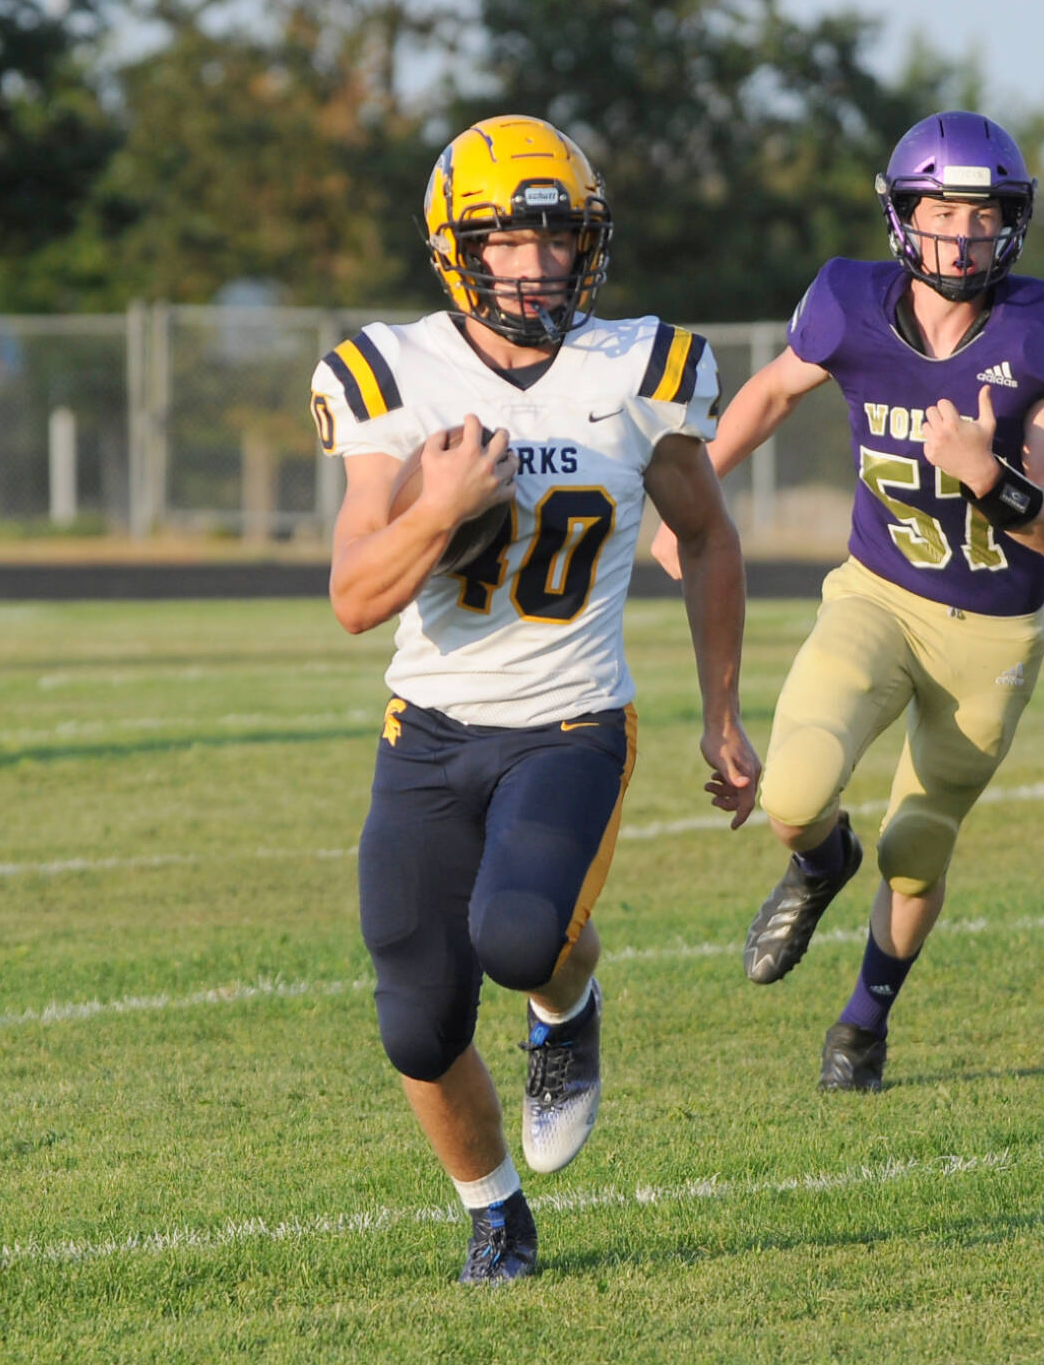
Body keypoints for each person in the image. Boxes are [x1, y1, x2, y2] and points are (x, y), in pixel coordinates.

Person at [309, 114, 760, 1283]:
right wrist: (436, 506)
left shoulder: (633, 371)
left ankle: (567, 1006)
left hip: (568, 723)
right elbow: (356, 596)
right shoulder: (391, 376)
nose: (538, 262)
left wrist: (720, 709)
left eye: (558, 239)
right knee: (414, 1018)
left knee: (519, 939)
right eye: (508, 239)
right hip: (429, 729)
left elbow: (706, 537)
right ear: (457, 249)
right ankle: (494, 1212)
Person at [652, 110, 1044, 1093]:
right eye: (940, 212)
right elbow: (772, 393)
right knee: (792, 795)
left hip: (989, 633)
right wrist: (694, 505)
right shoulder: (848, 304)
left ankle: (863, 1021)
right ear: (902, 218)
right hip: (873, 596)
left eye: (981, 215)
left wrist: (988, 476)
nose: (961, 234)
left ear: (1009, 225)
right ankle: (820, 864)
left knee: (914, 848)